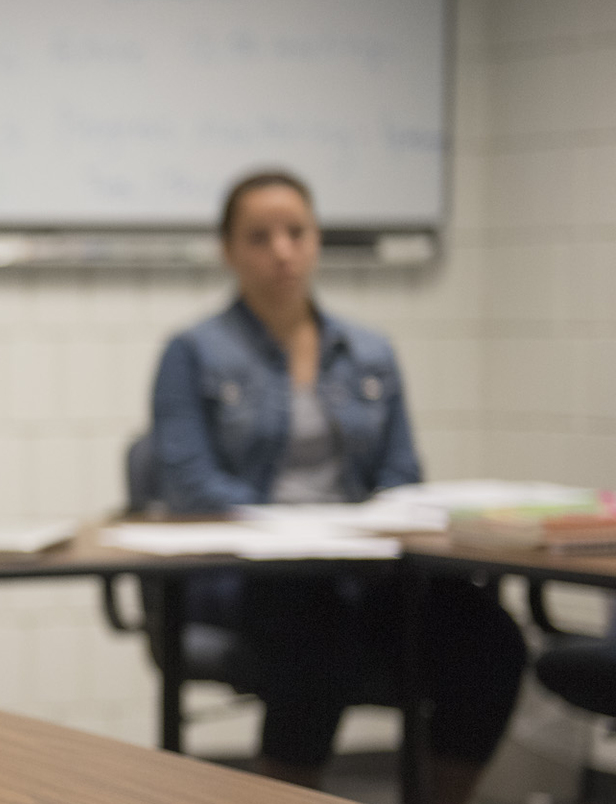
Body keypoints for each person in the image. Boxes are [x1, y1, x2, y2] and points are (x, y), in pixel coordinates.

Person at [148, 170, 525, 803]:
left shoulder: (370, 352)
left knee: (490, 639)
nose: (282, 251)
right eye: (260, 237)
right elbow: (189, 485)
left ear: (317, 239)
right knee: (312, 629)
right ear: (229, 249)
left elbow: (402, 475)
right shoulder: (194, 353)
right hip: (254, 579)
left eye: (296, 233)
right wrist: (291, 530)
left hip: (365, 569)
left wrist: (365, 527)